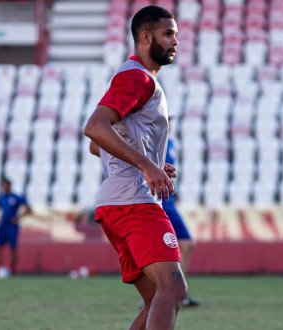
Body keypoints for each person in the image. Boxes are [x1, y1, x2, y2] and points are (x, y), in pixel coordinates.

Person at [83, 5, 187, 329]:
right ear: (145, 37)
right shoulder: (138, 78)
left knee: (158, 296)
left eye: (176, 35)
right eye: (167, 34)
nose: (175, 41)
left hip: (117, 203)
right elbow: (95, 128)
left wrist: (152, 162)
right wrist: (147, 166)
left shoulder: (136, 77)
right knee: (173, 289)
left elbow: (97, 146)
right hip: (134, 202)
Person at [163, 120, 199, 307]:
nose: (169, 123)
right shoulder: (154, 139)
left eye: (170, 120)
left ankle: (177, 294)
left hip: (168, 201)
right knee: (163, 252)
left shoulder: (169, 141)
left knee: (185, 245)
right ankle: (159, 296)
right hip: (159, 202)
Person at [0, 178, 32, 276]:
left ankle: (13, 270)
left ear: (9, 186)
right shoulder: (1, 198)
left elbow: (29, 210)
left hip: (12, 227)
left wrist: (18, 217)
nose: (4, 188)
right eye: (2, 186)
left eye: (5, 185)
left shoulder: (17, 198)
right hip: (2, 227)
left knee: (13, 249)